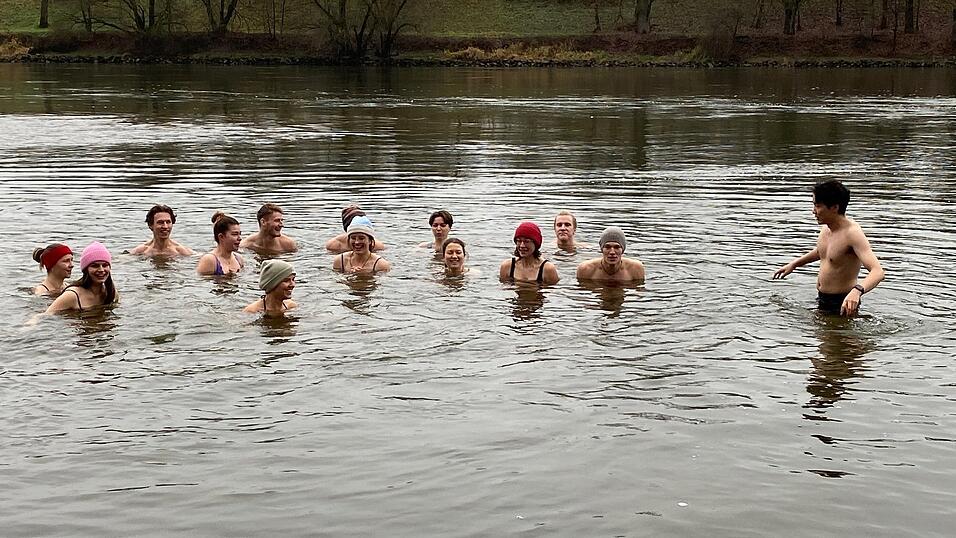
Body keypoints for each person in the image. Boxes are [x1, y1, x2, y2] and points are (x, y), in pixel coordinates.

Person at [773, 180, 885, 316]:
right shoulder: (827, 228)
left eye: (818, 206)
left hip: (843, 302)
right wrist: (795, 264)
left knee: (839, 337)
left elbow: (878, 271)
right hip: (822, 298)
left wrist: (857, 291)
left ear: (834, 208)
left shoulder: (852, 234)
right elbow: (823, 251)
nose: (813, 211)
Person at [44, 242, 119, 314]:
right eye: (95, 266)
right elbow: (45, 316)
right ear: (85, 270)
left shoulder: (112, 292)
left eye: (105, 265)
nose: (101, 270)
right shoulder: (72, 295)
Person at [576, 227, 645, 283]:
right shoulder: (586, 269)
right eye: (607, 247)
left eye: (617, 247)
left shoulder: (635, 269)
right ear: (602, 249)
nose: (612, 252)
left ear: (622, 250)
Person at [130, 204, 194, 257]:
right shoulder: (141, 251)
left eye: (168, 222)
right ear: (150, 225)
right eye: (160, 222)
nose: (165, 226)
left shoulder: (182, 252)